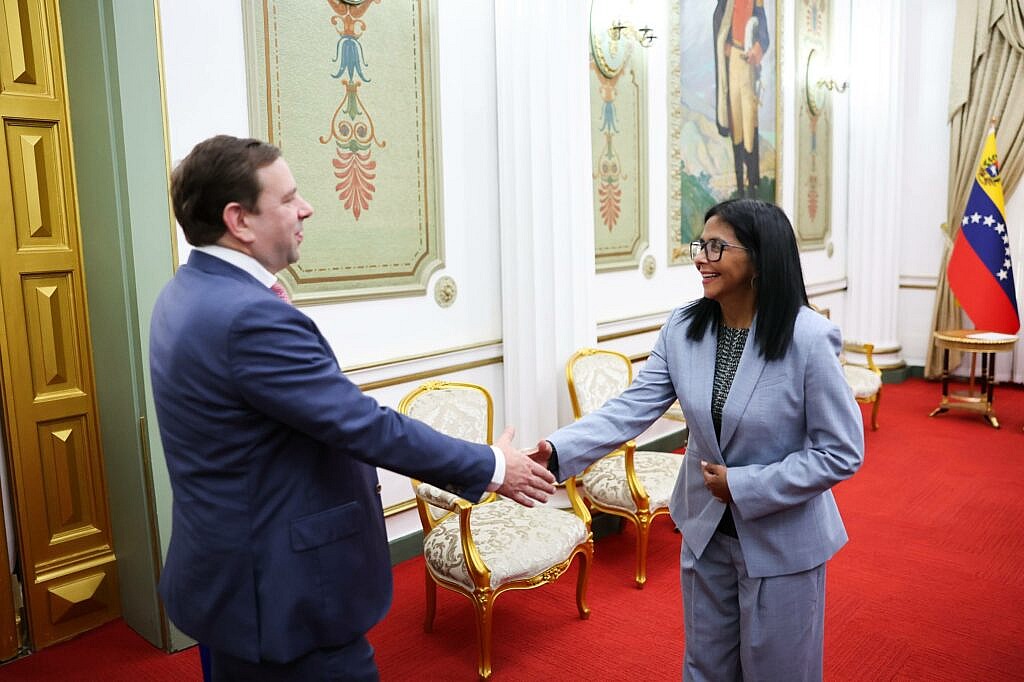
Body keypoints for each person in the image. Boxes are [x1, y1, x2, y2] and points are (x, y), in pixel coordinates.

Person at [149, 135, 556, 681]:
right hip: (280, 595)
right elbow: (361, 425)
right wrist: (493, 466)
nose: (306, 208)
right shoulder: (249, 317)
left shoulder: (187, 291)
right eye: (289, 197)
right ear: (239, 220)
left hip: (227, 577)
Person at [536, 199, 864, 680]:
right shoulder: (684, 327)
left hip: (782, 539)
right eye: (700, 245)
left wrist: (744, 485)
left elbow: (841, 452)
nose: (700, 258)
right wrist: (557, 450)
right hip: (705, 528)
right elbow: (632, 407)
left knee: (777, 671)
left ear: (758, 258)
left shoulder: (808, 338)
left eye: (717, 246)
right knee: (706, 667)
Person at [713, 0, 770, 198]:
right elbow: (719, 24)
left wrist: (757, 49)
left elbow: (764, 34)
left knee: (749, 125)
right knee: (735, 123)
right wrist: (725, 45)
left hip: (748, 64)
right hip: (732, 64)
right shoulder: (726, 3)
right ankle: (739, 184)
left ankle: (752, 185)